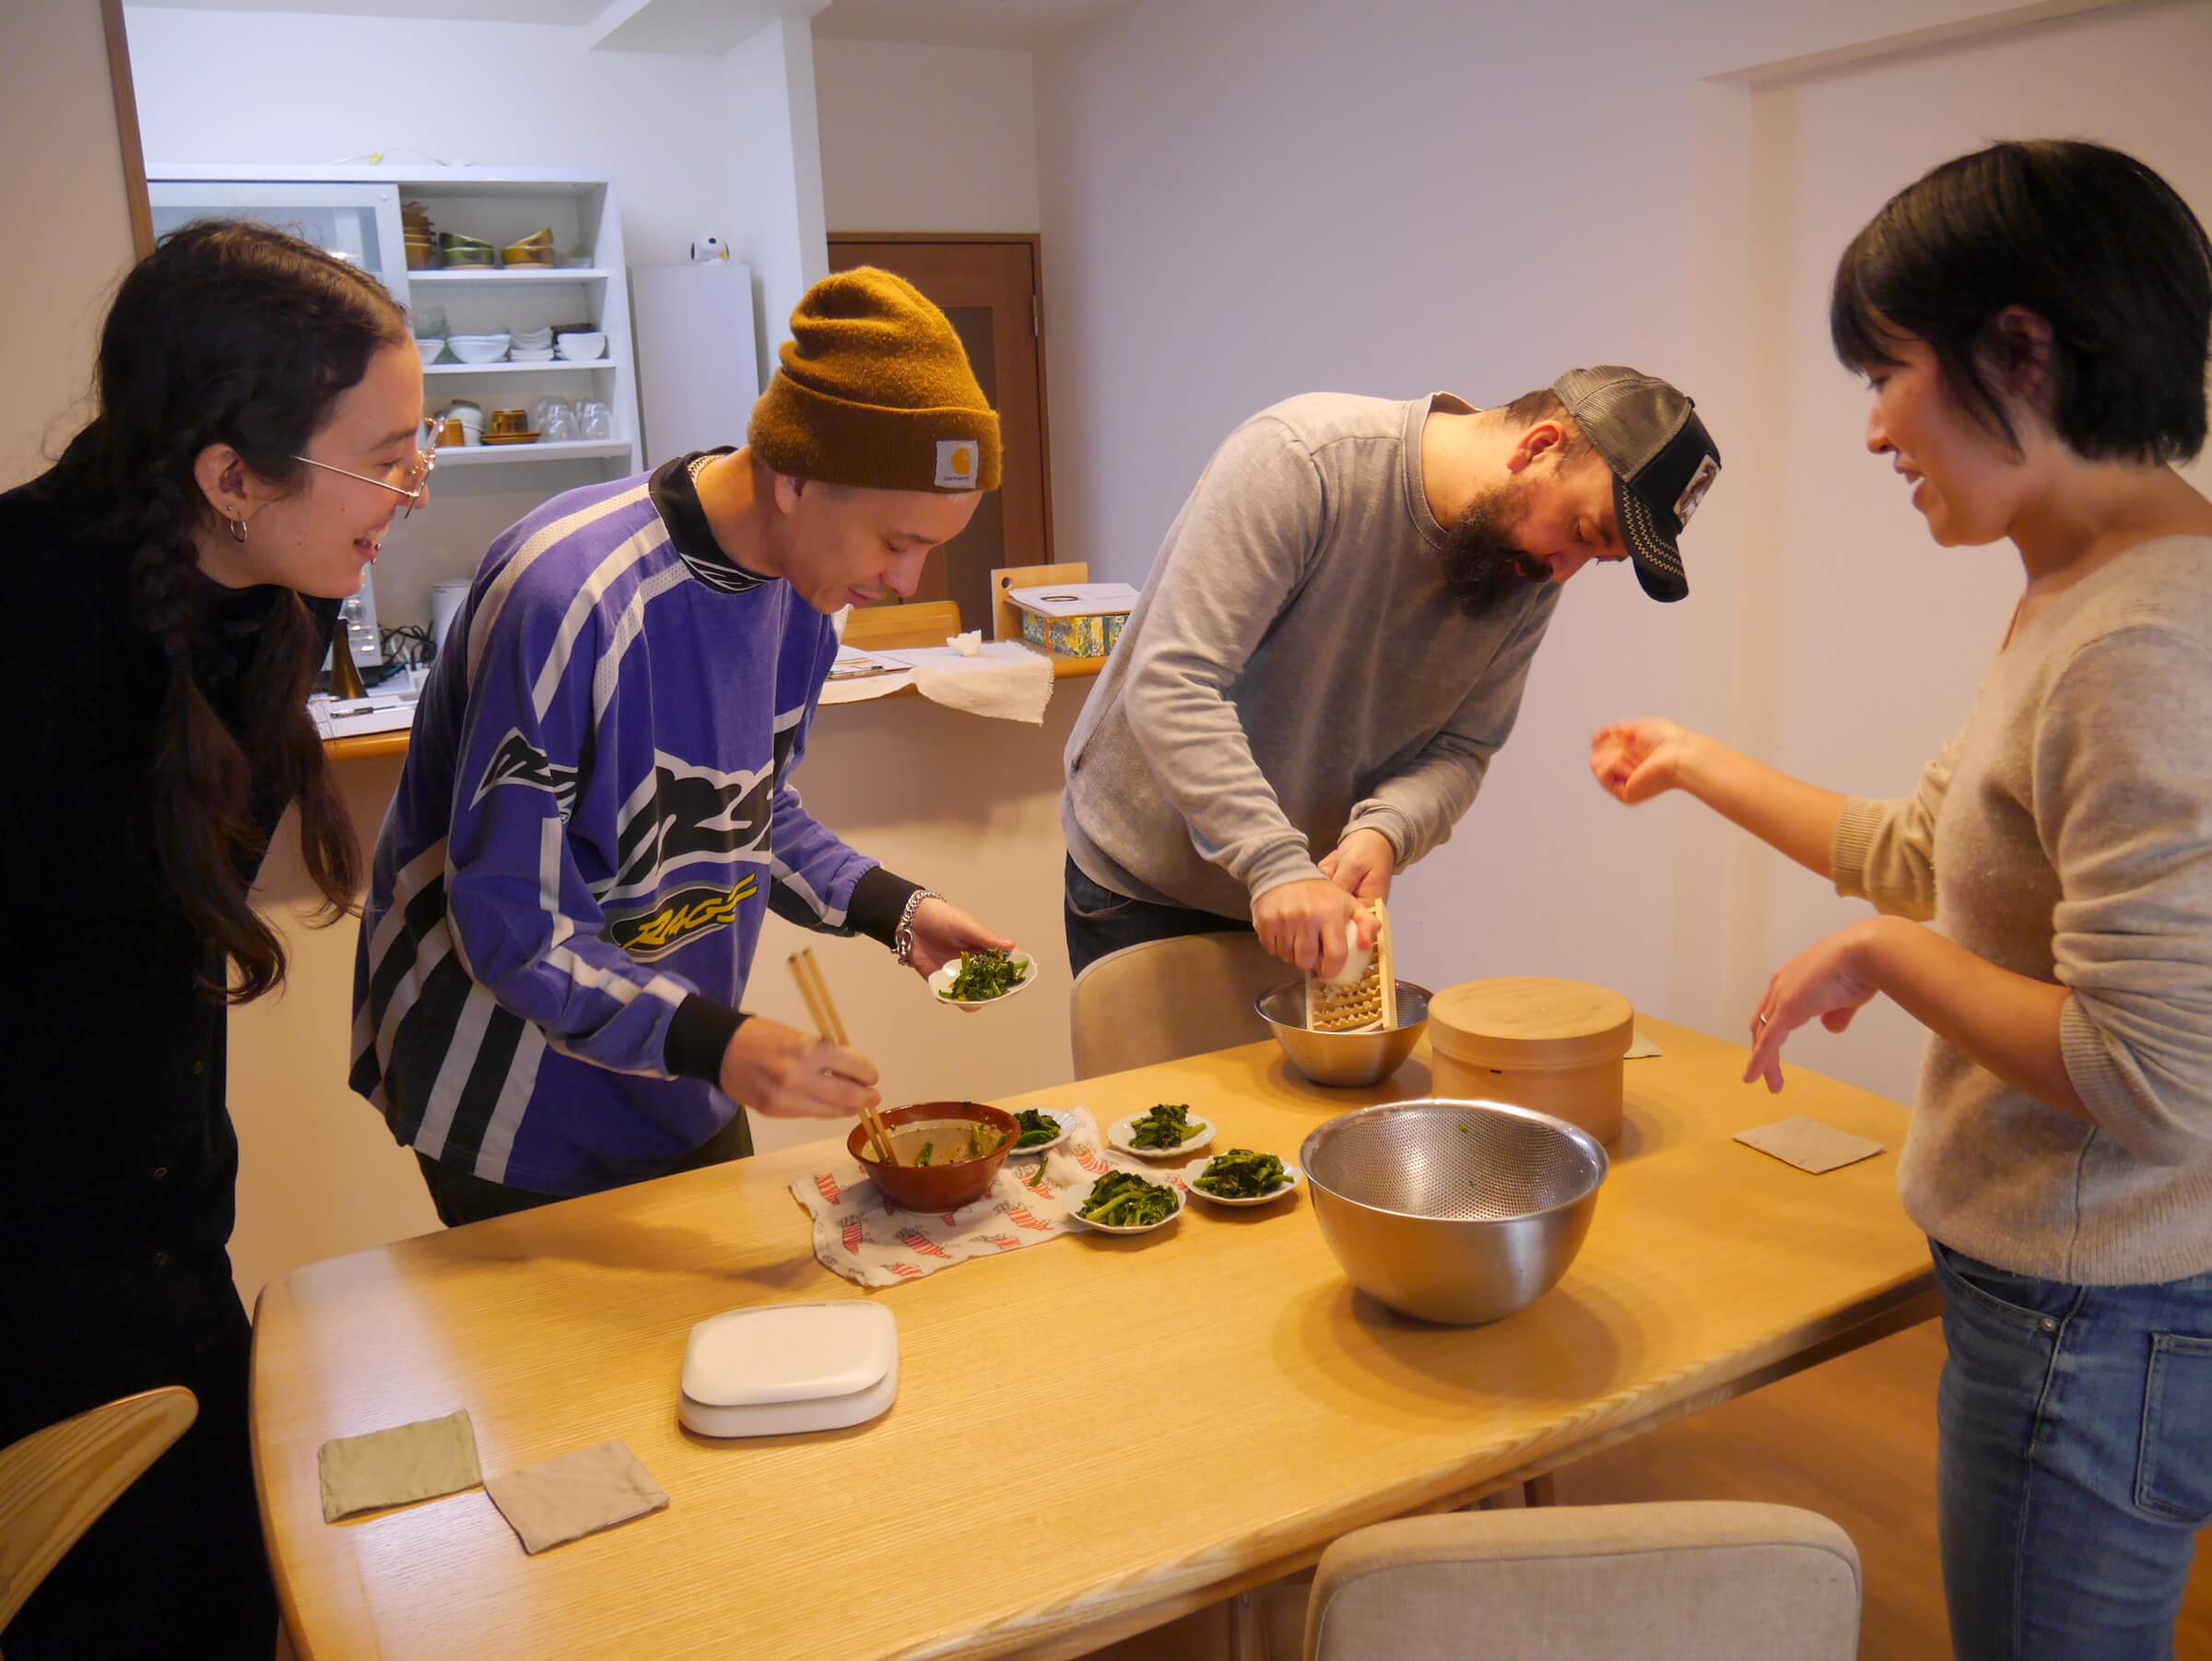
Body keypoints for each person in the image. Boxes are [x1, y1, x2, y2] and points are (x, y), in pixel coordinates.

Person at [1589, 140, 2212, 1660]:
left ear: (2023, 350)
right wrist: (1699, 761)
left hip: (2093, 1306)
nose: (1874, 427)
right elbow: (1926, 851)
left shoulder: (2135, 643)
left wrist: (1888, 959)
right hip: (2090, 1295)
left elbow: (2160, 1072)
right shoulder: (2085, 590)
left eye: (1888, 371)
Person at [354, 269, 1013, 1225]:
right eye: (894, 540)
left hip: (679, 1062)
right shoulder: (569, 593)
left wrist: (897, 911)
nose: (905, 579)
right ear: (793, 477)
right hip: (511, 1095)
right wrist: (719, 1042)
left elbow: (747, 809)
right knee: (574, 1372)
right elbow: (510, 917)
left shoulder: (803, 599)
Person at [0, 220, 428, 1659]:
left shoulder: (257, 599)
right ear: (231, 477)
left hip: (166, 1217)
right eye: (385, 454)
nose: (411, 489)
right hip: (34, 1279)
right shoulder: (28, 628)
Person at [1060, 368, 1722, 981]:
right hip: (1145, 885)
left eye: (1596, 558)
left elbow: (1465, 747)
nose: (1564, 570)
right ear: (1540, 446)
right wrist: (1273, 861)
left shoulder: (1530, 570)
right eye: (1582, 528)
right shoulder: (1303, 462)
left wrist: (1386, 828)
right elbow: (1173, 681)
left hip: (1306, 898)